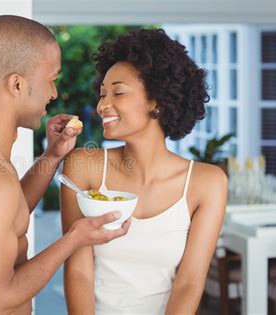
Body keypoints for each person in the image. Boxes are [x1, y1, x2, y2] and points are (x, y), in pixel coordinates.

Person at [0, 15, 131, 315]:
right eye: (51, 80)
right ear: (17, 84)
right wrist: (74, 238)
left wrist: (51, 156)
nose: (54, 93)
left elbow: (3, 216)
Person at [61, 29, 228, 314]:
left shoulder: (206, 183)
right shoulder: (82, 166)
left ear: (157, 100)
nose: (102, 105)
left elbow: (189, 282)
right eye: (102, 94)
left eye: (118, 92)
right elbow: (78, 271)